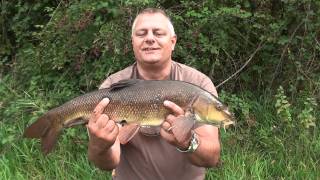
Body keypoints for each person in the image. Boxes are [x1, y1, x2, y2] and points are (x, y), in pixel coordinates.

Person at [87, 8, 221, 180]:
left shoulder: (197, 84)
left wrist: (187, 140)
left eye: (158, 33)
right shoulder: (113, 87)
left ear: (173, 42)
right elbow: (107, 163)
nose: (150, 38)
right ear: (133, 42)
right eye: (142, 34)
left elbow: (211, 158)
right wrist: (100, 145)